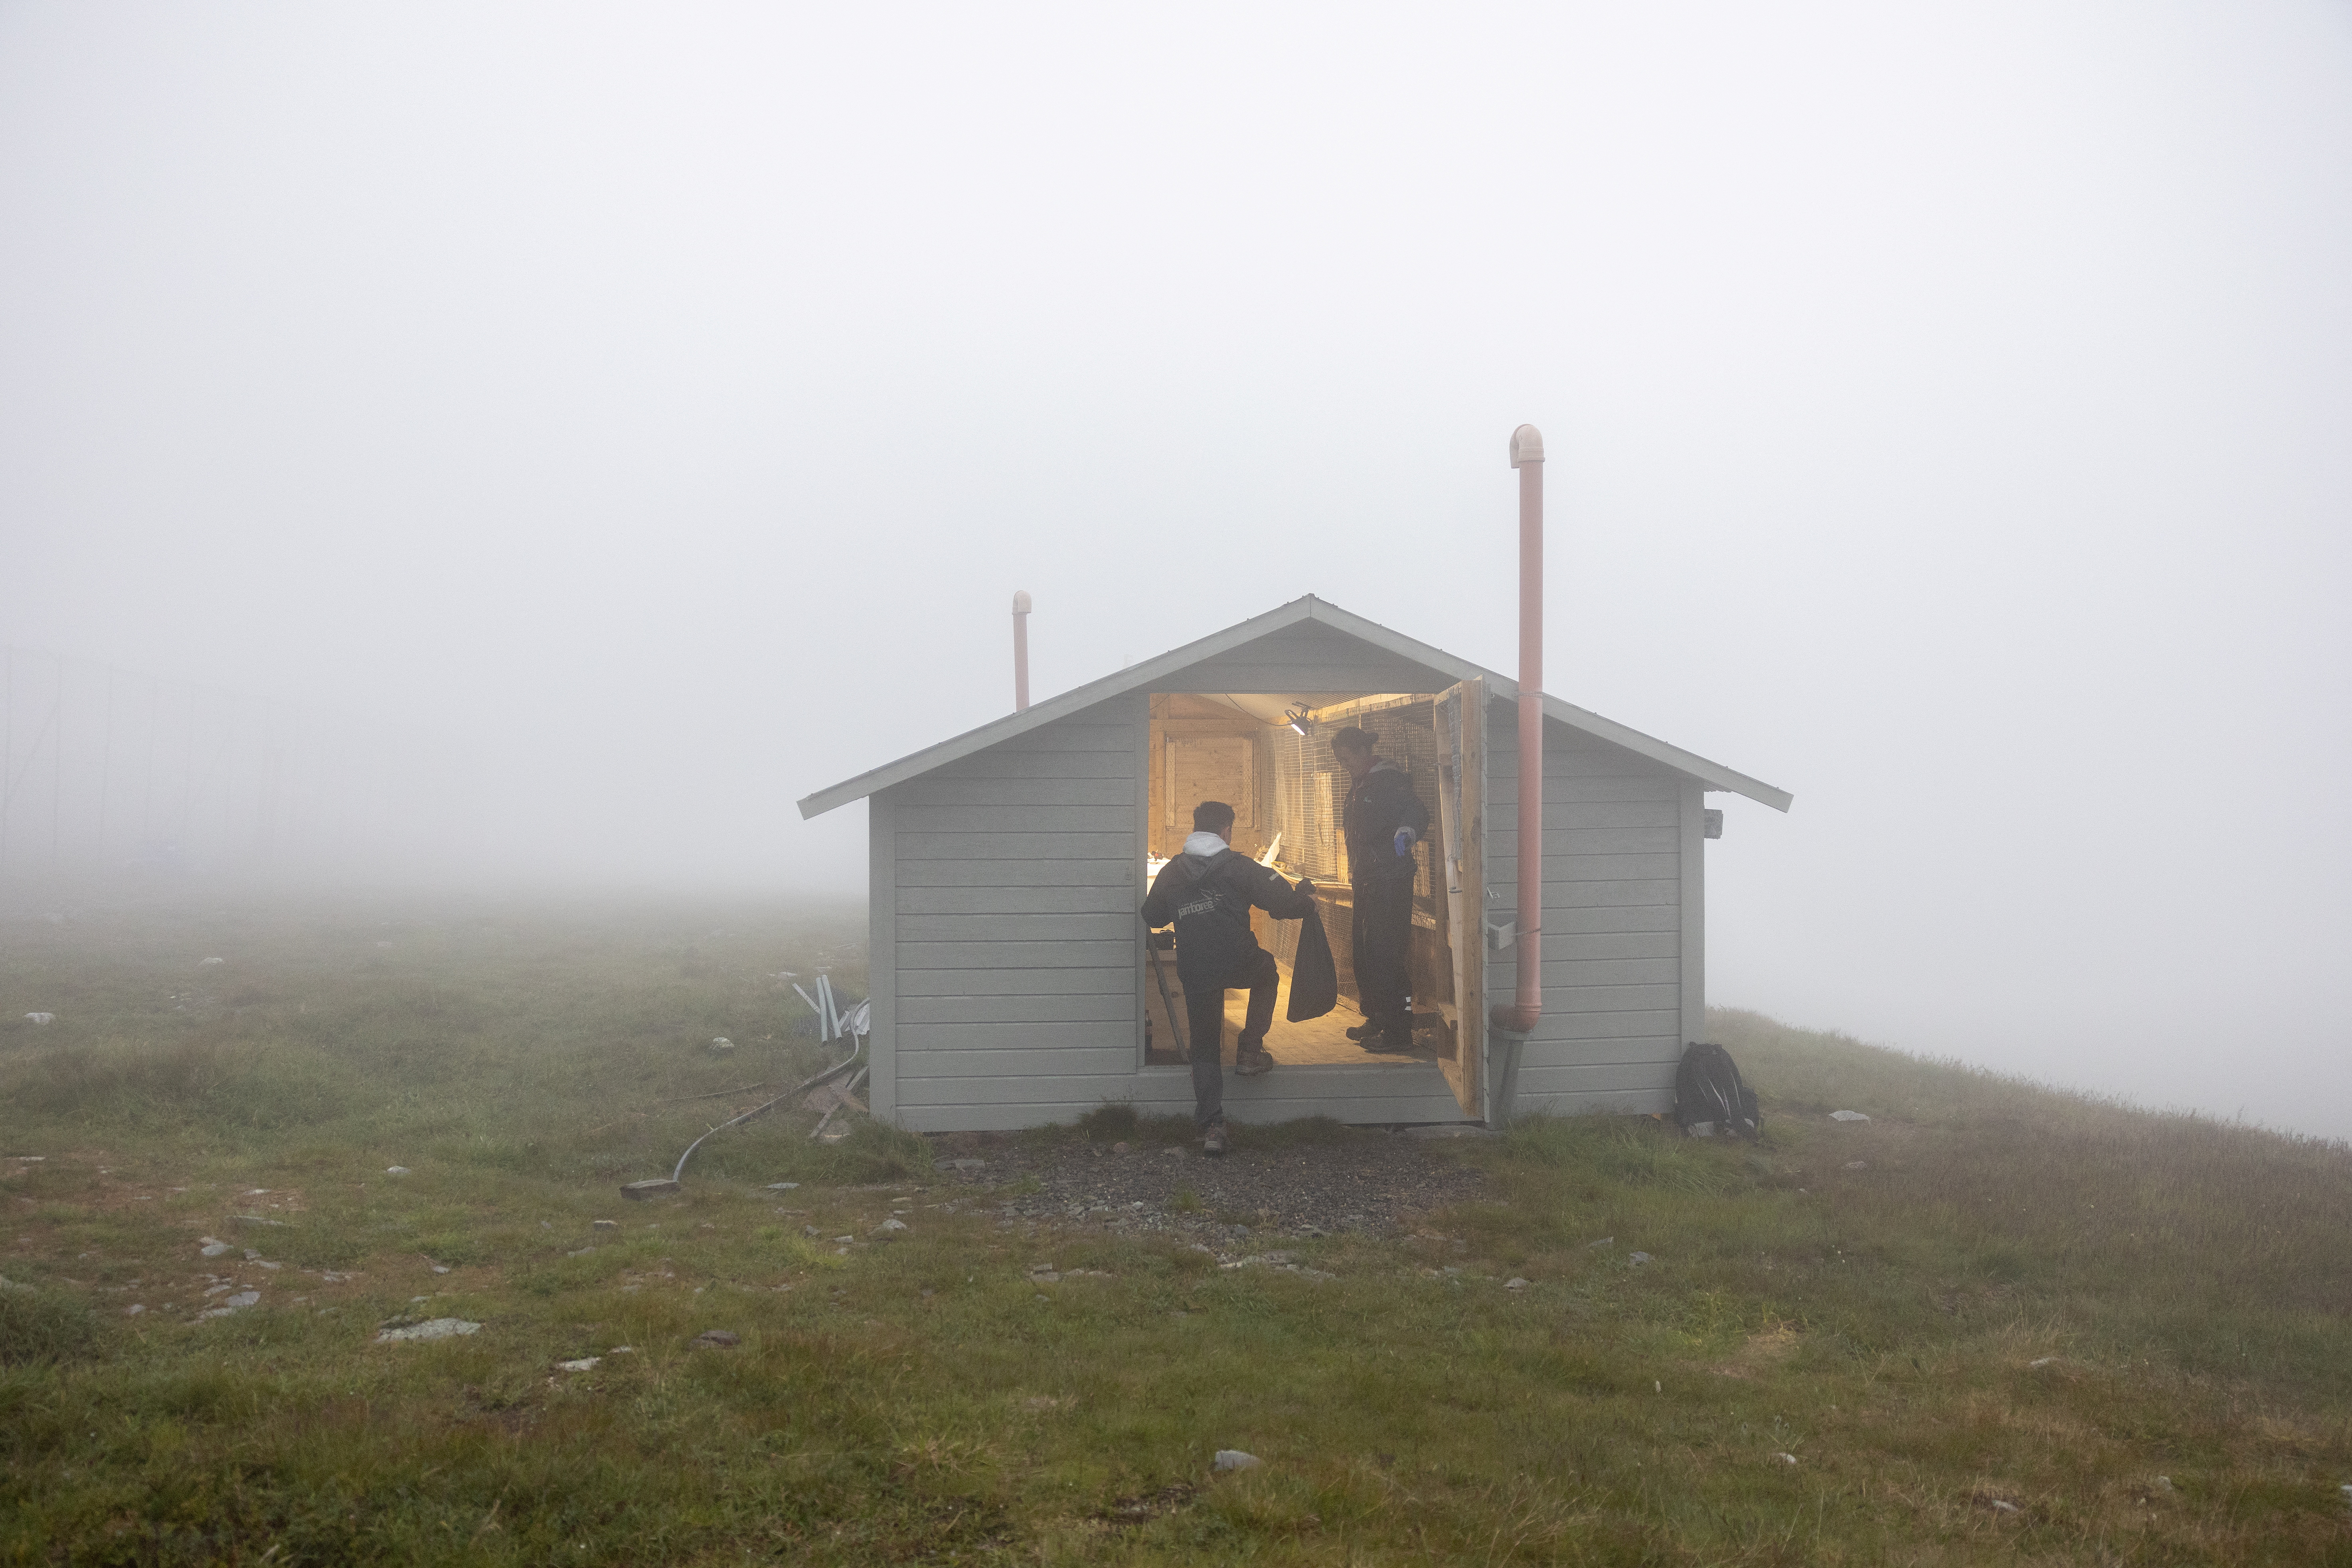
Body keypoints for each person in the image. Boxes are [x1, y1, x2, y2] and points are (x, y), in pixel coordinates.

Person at [1141, 800, 1316, 1155]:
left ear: (1195, 827)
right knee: (1267, 973)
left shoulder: (1173, 871)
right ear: (1226, 830)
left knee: (1204, 1046)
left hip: (1196, 967)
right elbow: (1285, 904)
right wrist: (1307, 899)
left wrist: (1184, 905)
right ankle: (1250, 1050)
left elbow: (1154, 916)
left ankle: (1212, 1127)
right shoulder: (1240, 867)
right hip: (1239, 959)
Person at [1329, 725, 1430, 1053]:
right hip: (1366, 880)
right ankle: (1376, 1016)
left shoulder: (1391, 781)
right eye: (1341, 763)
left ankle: (1399, 1031)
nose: (1346, 767)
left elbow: (1417, 811)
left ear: (1363, 753)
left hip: (1390, 880)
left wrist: (1408, 831)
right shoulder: (1360, 785)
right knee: (1364, 952)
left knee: (1387, 956)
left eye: (1348, 760)